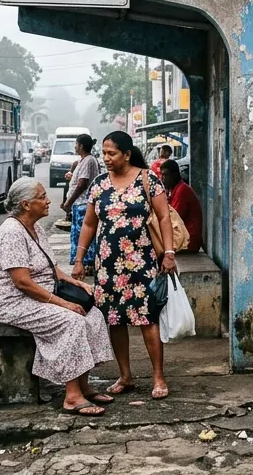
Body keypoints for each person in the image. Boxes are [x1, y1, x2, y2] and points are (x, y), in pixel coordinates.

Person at [0, 178, 114, 416]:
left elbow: (50, 266)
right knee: (71, 320)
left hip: (40, 294)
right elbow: (22, 281)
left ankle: (84, 385)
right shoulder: (12, 232)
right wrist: (63, 303)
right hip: (12, 301)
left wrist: (73, 281)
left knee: (93, 314)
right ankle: (72, 396)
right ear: (25, 204)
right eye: (42, 197)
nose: (48, 201)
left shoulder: (35, 227)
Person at [72, 131, 177, 400]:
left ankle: (158, 376)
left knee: (147, 317)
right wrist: (80, 259)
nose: (106, 158)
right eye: (104, 153)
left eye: (112, 153)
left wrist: (168, 252)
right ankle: (125, 376)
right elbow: (89, 224)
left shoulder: (147, 179)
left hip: (141, 261)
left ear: (127, 155)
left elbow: (164, 218)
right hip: (108, 264)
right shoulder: (99, 185)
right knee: (115, 319)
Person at [60, 134, 100, 266]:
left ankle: (86, 263)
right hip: (79, 204)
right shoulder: (83, 161)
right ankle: (81, 262)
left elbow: (82, 183)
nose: (75, 147)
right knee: (77, 235)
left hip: (83, 204)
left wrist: (69, 202)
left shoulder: (89, 160)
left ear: (81, 146)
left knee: (84, 235)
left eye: (76, 144)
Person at [160, 159, 203, 253]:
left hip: (189, 242)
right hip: (184, 239)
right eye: (161, 175)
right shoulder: (175, 189)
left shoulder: (182, 190)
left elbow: (173, 219)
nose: (162, 178)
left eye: (165, 175)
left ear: (174, 175)